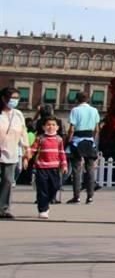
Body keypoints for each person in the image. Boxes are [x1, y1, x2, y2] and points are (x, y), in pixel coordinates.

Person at [29, 117, 68, 219]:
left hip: (54, 168)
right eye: (48, 125)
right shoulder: (40, 138)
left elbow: (62, 153)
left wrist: (64, 165)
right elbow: (33, 150)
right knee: (42, 189)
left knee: (55, 186)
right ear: (43, 127)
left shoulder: (59, 139)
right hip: (41, 167)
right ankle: (43, 209)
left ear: (57, 127)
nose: (51, 127)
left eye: (53, 125)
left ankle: (46, 202)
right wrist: (26, 158)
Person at [0, 87, 30, 219]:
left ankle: (3, 208)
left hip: (11, 151)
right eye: (12, 98)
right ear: (4, 98)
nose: (14, 101)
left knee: (8, 180)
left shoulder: (18, 114)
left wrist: (26, 149)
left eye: (17, 99)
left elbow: (23, 132)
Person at [66, 91, 100, 205]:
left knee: (76, 169)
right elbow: (96, 129)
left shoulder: (75, 110)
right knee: (90, 169)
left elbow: (71, 128)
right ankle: (90, 197)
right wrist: (93, 139)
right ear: (88, 99)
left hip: (77, 139)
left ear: (77, 99)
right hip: (89, 139)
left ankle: (76, 196)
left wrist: (68, 140)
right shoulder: (94, 110)